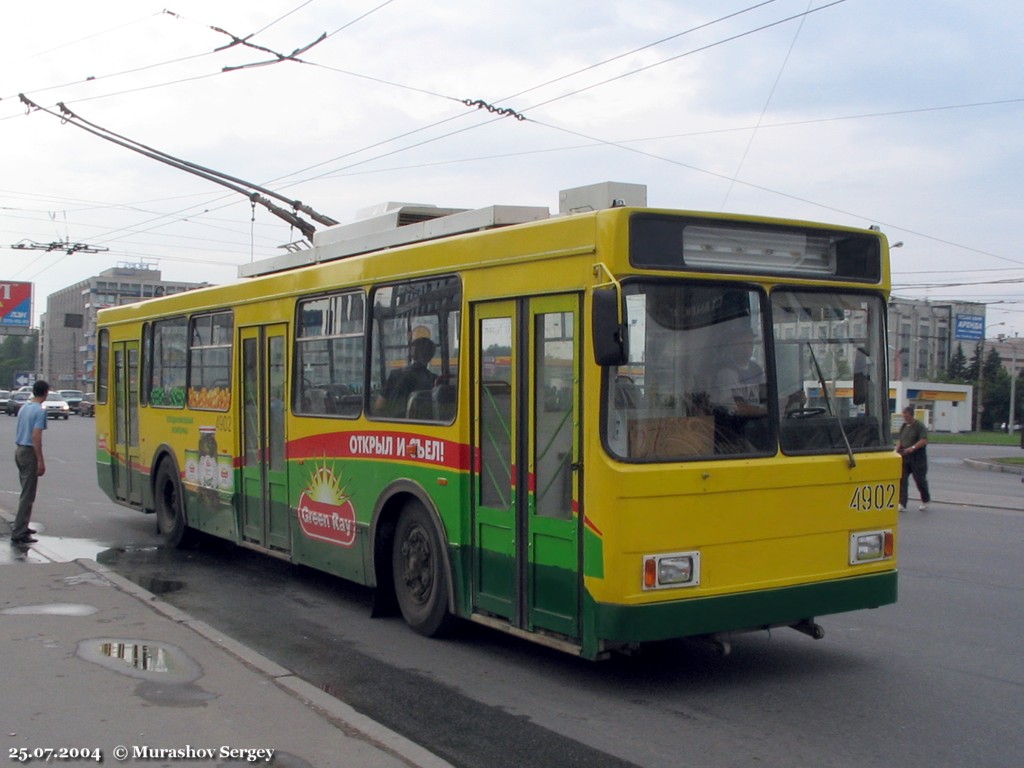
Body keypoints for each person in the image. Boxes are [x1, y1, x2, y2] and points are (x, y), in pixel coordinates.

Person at [11, 380, 50, 545]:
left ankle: (23, 525)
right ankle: (19, 532)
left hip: (19, 450)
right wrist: (40, 459)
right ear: (46, 392)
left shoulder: (24, 407)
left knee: (25, 491)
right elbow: (36, 436)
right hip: (29, 452)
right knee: (28, 495)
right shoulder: (40, 411)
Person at [375, 336, 437, 417]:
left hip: (396, 421)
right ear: (430, 356)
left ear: (412, 353)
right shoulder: (435, 379)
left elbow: (379, 405)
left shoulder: (396, 374)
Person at [896, 405, 931, 512]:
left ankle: (925, 500)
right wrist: (896, 450)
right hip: (905, 456)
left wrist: (913, 448)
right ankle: (902, 503)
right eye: (904, 416)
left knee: (919, 480)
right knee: (902, 480)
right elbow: (901, 440)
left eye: (906, 416)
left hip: (917, 457)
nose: (905, 418)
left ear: (912, 415)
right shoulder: (904, 426)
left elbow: (924, 440)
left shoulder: (919, 426)